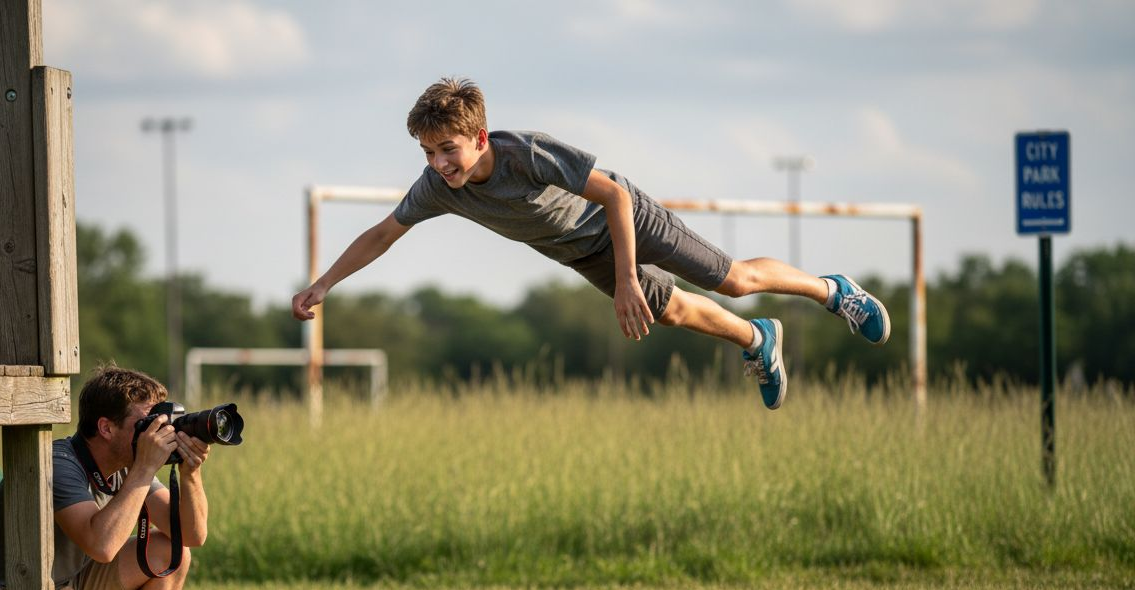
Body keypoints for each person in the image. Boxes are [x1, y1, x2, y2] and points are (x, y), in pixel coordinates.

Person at [291, 78, 891, 410]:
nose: (439, 163)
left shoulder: (525, 154)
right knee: (672, 311)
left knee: (733, 280)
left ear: (479, 138)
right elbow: (382, 233)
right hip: (580, 251)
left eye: (448, 149)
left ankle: (833, 291)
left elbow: (615, 196)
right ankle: (758, 339)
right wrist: (323, 284)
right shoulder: (436, 189)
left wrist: (628, 279)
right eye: (428, 152)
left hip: (626, 220)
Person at [0, 365, 211, 590]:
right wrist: (145, 468)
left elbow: (192, 535)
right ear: (106, 428)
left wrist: (191, 472)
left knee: (172, 553)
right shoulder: (58, 465)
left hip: (61, 584)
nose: (156, 433)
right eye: (147, 423)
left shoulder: (128, 465)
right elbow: (102, 546)